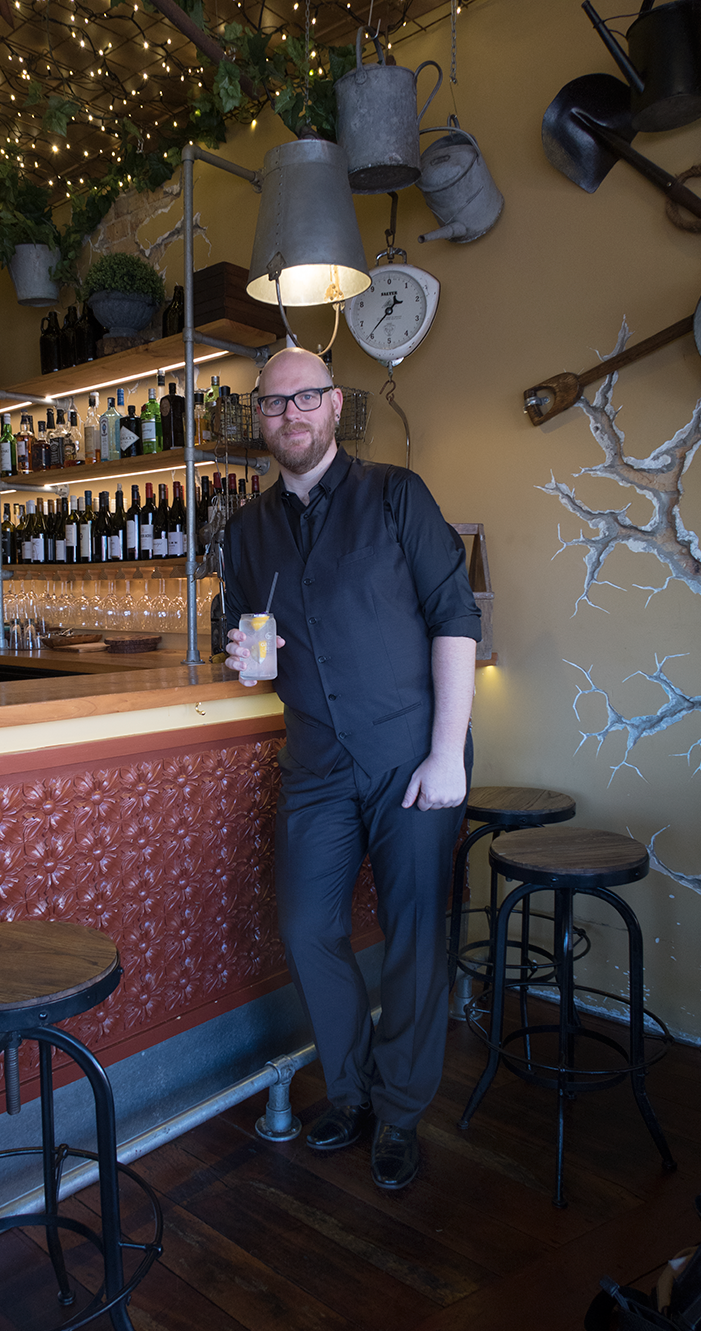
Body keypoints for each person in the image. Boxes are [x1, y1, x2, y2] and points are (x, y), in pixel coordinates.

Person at [223, 347, 481, 1191]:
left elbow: (455, 619)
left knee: (414, 937)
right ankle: (352, 1090)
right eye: (272, 404)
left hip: (413, 756)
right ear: (259, 418)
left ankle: (400, 1112)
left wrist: (448, 755)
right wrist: (247, 661)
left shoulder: (396, 496)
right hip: (318, 766)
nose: (289, 415)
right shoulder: (245, 528)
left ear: (335, 406)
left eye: (304, 399)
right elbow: (253, 645)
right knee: (306, 926)